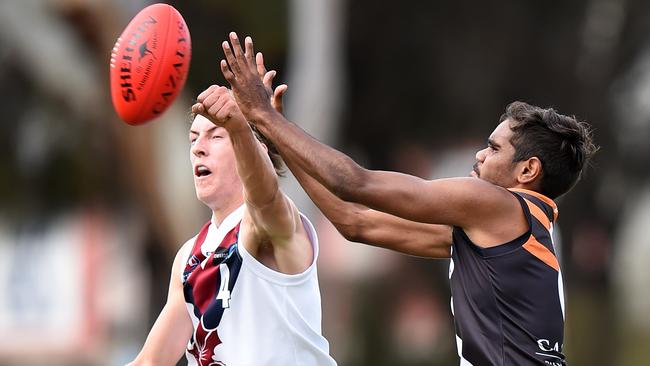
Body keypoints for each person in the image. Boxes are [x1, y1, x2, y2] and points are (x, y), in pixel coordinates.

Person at [218, 32, 598, 365]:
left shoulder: (494, 203)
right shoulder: (504, 234)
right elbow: (355, 223)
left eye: (493, 148)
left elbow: (354, 183)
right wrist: (280, 140)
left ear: (528, 171)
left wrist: (266, 117)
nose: (480, 155)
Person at [128, 79, 337, 364]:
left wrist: (241, 125)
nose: (198, 148)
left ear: (258, 150)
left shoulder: (273, 223)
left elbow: (264, 195)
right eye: (193, 138)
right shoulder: (189, 256)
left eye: (216, 136)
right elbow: (150, 362)